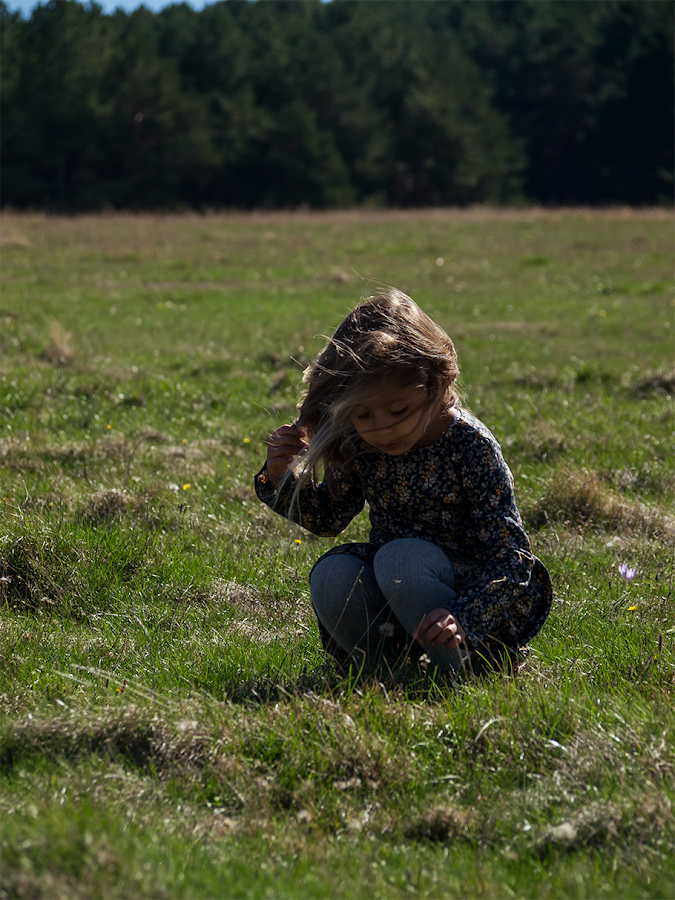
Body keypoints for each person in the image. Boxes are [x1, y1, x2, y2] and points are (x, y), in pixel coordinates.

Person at [254, 290, 552, 675]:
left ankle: (464, 672)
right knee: (332, 575)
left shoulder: (470, 445)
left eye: (397, 410)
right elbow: (330, 518)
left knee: (401, 559)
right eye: (363, 415)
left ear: (435, 384)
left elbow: (512, 555)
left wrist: (464, 615)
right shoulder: (358, 441)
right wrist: (284, 478)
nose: (382, 428)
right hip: (395, 584)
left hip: (470, 610)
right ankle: (386, 675)